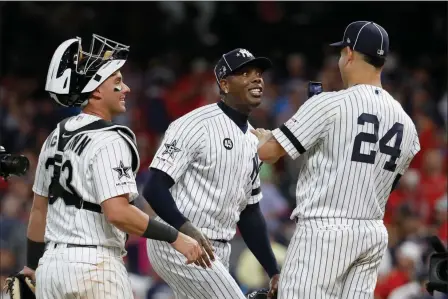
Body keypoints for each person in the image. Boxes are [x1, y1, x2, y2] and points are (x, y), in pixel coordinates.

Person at [23, 34, 202, 299]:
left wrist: (31, 266)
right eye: (117, 82)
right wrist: (176, 237)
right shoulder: (110, 138)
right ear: (96, 90)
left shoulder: (55, 136)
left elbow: (39, 210)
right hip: (95, 266)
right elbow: (118, 213)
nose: (127, 88)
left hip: (51, 268)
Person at [251, 21, 421, 299]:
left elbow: (267, 154)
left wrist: (260, 138)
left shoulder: (330, 103)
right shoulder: (407, 123)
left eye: (341, 53)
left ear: (350, 54)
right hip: (372, 233)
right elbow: (388, 183)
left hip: (325, 230)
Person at [143, 48, 280, 299]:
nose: (256, 78)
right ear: (224, 85)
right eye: (245, 73)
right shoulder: (194, 124)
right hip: (178, 240)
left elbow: (250, 213)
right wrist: (185, 230)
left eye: (258, 73)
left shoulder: (252, 140)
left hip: (217, 249)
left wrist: (274, 270)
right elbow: (154, 187)